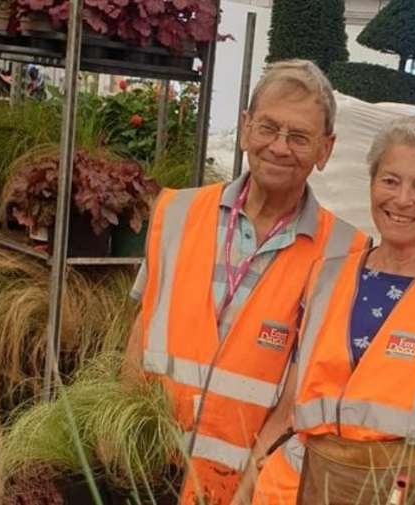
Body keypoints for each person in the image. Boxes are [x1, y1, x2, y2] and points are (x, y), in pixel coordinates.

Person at [125, 59, 370, 505]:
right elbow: (142, 330)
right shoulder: (177, 213)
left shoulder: (346, 253)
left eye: (299, 137)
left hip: (245, 487)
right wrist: (119, 439)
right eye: (268, 128)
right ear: (245, 127)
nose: (279, 146)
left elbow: (304, 390)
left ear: (325, 150)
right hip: (145, 471)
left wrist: (252, 483)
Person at [235, 114, 415, 505]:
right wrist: (245, 490)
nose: (402, 200)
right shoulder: (325, 280)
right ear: (372, 184)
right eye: (390, 180)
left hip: (403, 492)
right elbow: (289, 409)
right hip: (297, 489)